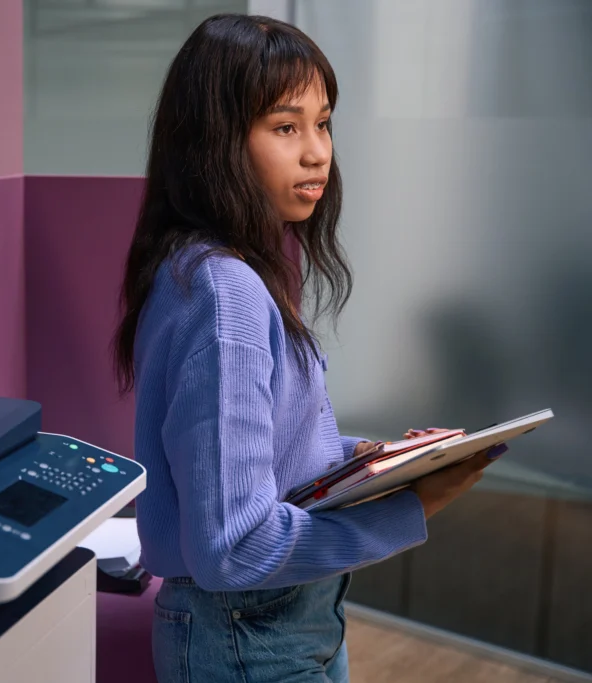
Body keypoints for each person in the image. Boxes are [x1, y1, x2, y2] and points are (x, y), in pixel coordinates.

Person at [110, 14, 506, 683]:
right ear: (216, 141)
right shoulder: (223, 291)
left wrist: (374, 460)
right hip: (246, 630)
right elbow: (232, 549)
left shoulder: (211, 269)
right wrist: (414, 504)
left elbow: (262, 449)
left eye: (323, 123)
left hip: (277, 622)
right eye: (286, 126)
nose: (317, 151)